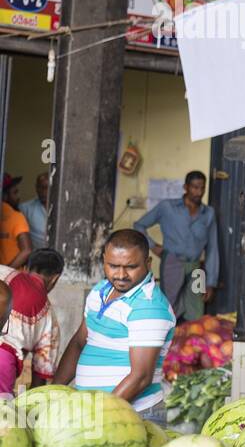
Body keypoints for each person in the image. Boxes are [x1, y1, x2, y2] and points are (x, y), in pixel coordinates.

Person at [53, 229, 175, 418]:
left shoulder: (148, 306)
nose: (120, 274)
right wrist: (54, 393)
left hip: (131, 415)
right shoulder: (100, 290)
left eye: (131, 266)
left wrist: (99, 416)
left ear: (148, 264)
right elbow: (79, 342)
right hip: (95, 413)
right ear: (103, 260)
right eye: (113, 266)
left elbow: (141, 377)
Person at [133, 170, 219, 322]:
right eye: (195, 187)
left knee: (197, 310)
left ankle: (190, 344)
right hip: (172, 262)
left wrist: (211, 282)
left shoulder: (208, 213)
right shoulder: (167, 207)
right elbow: (139, 225)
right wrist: (153, 246)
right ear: (185, 187)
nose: (199, 192)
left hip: (196, 267)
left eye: (202, 188)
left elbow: (212, 248)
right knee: (170, 308)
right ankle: (170, 343)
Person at [0, 248, 64, 390]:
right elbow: (41, 374)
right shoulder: (49, 318)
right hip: (4, 365)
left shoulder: (2, 271)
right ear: (55, 278)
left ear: (26, 268)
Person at [0, 174, 31, 268]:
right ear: (5, 196)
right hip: (13, 278)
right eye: (15, 192)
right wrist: (5, 273)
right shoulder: (16, 217)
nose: (18, 197)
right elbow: (27, 250)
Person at [18, 172, 50, 249]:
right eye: (39, 187)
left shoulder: (61, 208)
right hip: (37, 257)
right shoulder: (25, 208)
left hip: (58, 257)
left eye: (45, 188)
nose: (41, 191)